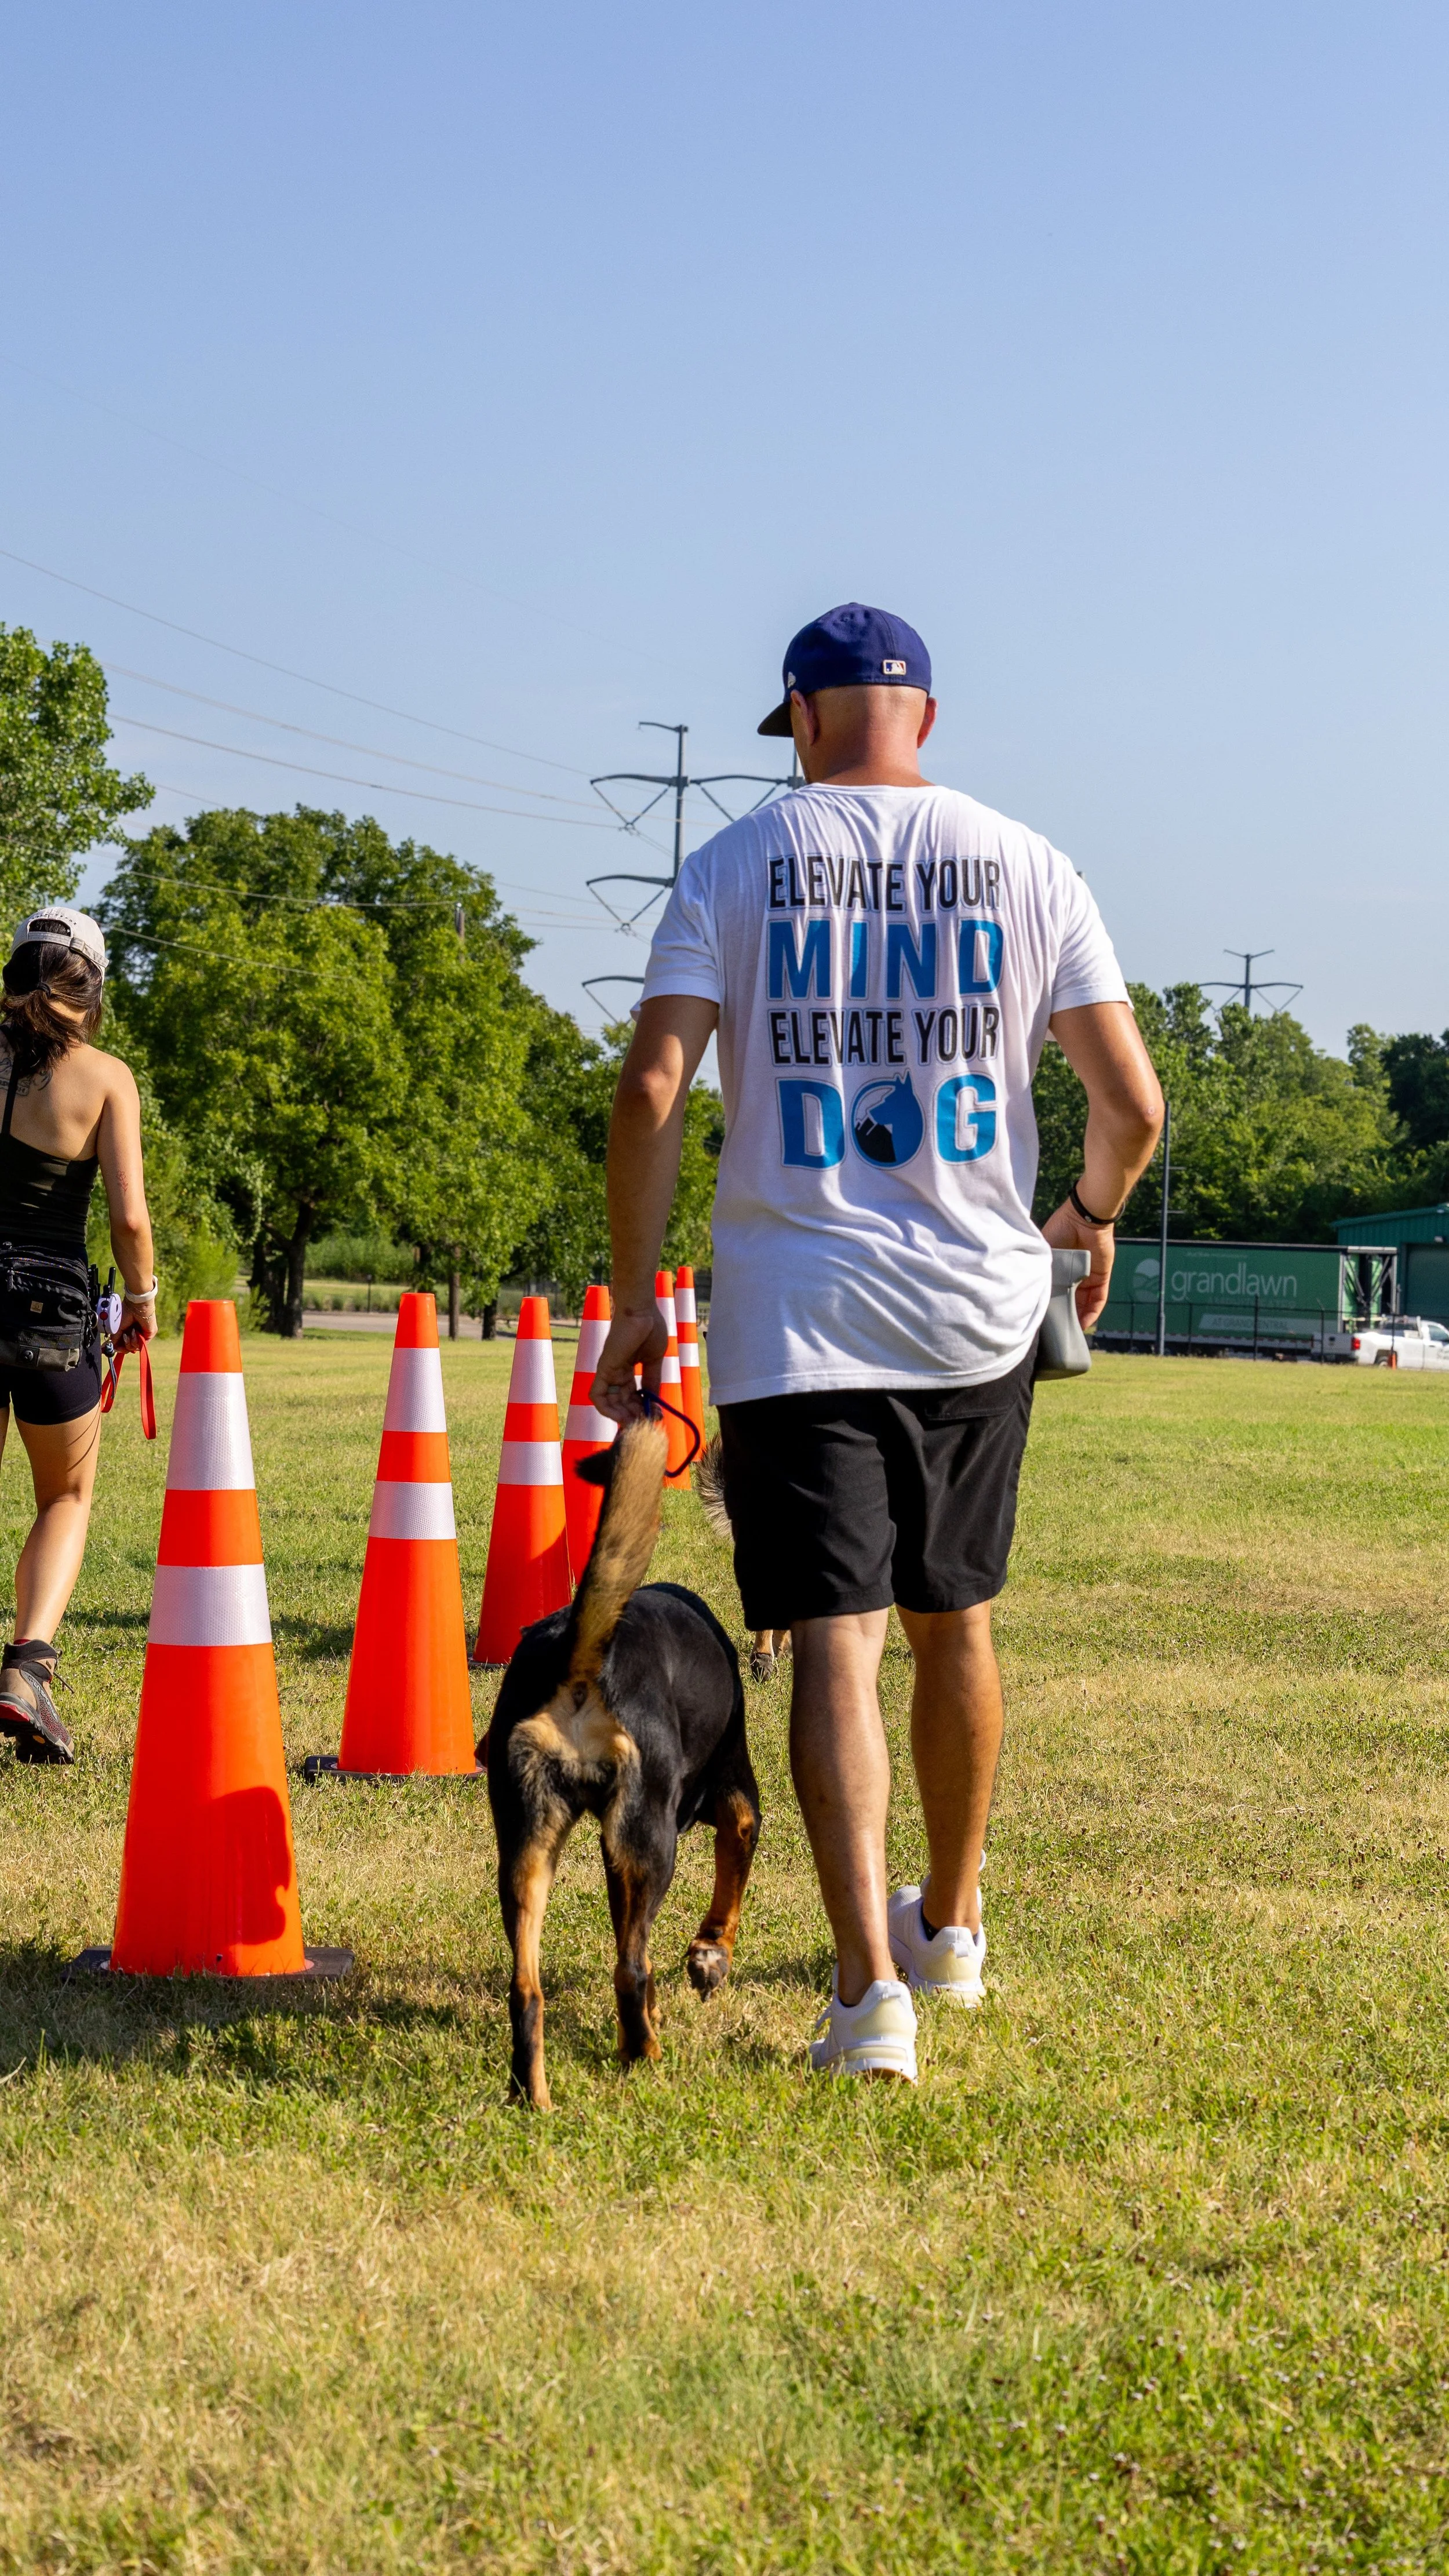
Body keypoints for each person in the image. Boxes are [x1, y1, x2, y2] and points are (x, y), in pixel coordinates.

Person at [592, 603, 1163, 2082]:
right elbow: (1133, 1104)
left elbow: (653, 1086)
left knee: (836, 1642)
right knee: (952, 1620)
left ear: (797, 715)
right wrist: (1082, 1215)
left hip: (796, 1311)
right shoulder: (1033, 861)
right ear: (928, 715)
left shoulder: (728, 863)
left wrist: (642, 1291)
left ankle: (867, 2001)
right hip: (977, 1303)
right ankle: (951, 1932)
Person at [0, 908, 156, 1763]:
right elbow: (129, 1217)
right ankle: (27, 1672)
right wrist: (143, 1299)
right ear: (89, 989)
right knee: (64, 1497)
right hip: (50, 1308)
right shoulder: (104, 1076)